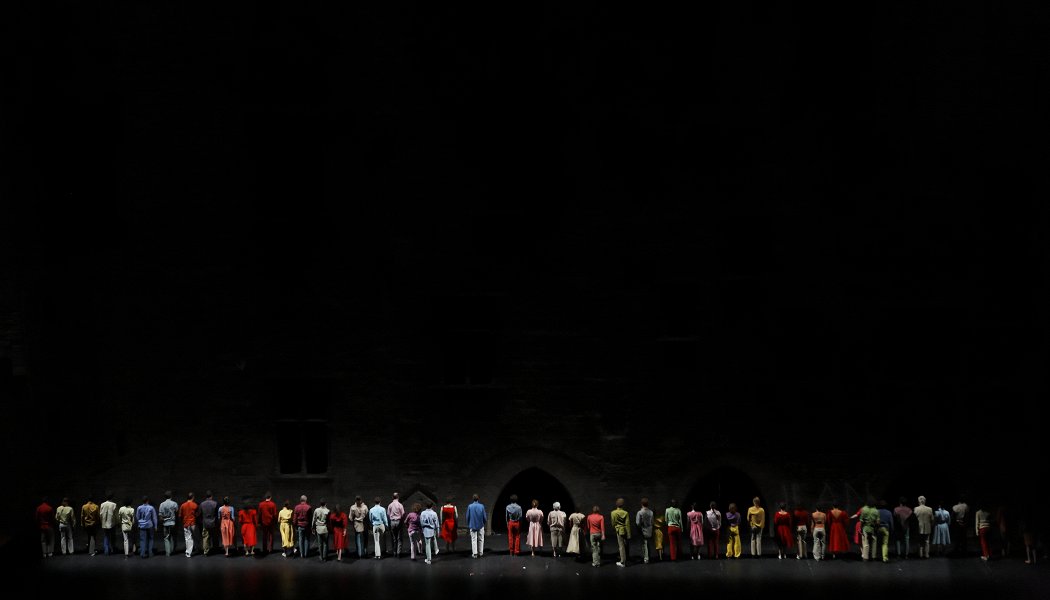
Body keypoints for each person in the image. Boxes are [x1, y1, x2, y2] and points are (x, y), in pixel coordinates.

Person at [611, 498, 631, 566]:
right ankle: (625, 557)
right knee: (625, 544)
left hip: (619, 530)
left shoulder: (613, 513)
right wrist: (629, 534)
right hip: (624, 530)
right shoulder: (625, 513)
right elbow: (627, 524)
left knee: (621, 546)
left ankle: (622, 562)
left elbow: (613, 523)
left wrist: (615, 527)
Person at [159, 491, 179, 557]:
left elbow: (160, 515)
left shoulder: (162, 504)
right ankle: (172, 550)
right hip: (172, 523)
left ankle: (168, 553)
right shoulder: (174, 504)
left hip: (165, 523)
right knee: (172, 537)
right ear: (171, 496)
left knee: (166, 538)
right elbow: (176, 512)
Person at [198, 491, 218, 557]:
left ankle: (206, 551)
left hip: (205, 523)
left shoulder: (202, 504)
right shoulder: (215, 503)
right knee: (214, 537)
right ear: (211, 496)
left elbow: (199, 514)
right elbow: (217, 514)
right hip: (213, 523)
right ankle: (215, 549)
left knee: (205, 538)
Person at [179, 492, 198, 558]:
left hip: (186, 524)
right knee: (195, 537)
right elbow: (197, 514)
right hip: (193, 523)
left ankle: (188, 552)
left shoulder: (183, 505)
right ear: (193, 497)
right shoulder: (195, 505)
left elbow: (180, 515)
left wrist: (183, 521)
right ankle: (196, 549)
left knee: (188, 538)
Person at [635, 498, 654, 564]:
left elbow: (637, 523)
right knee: (647, 543)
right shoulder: (651, 512)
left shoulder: (640, 512)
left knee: (644, 544)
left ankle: (646, 558)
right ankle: (648, 556)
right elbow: (652, 522)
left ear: (641, 504)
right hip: (649, 530)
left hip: (643, 530)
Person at [387, 492, 405, 558]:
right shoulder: (400, 505)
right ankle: (398, 553)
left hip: (392, 522)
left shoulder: (390, 505)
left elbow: (388, 514)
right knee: (399, 538)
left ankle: (394, 552)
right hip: (398, 521)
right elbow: (403, 514)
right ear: (398, 497)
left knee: (394, 538)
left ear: (392, 497)